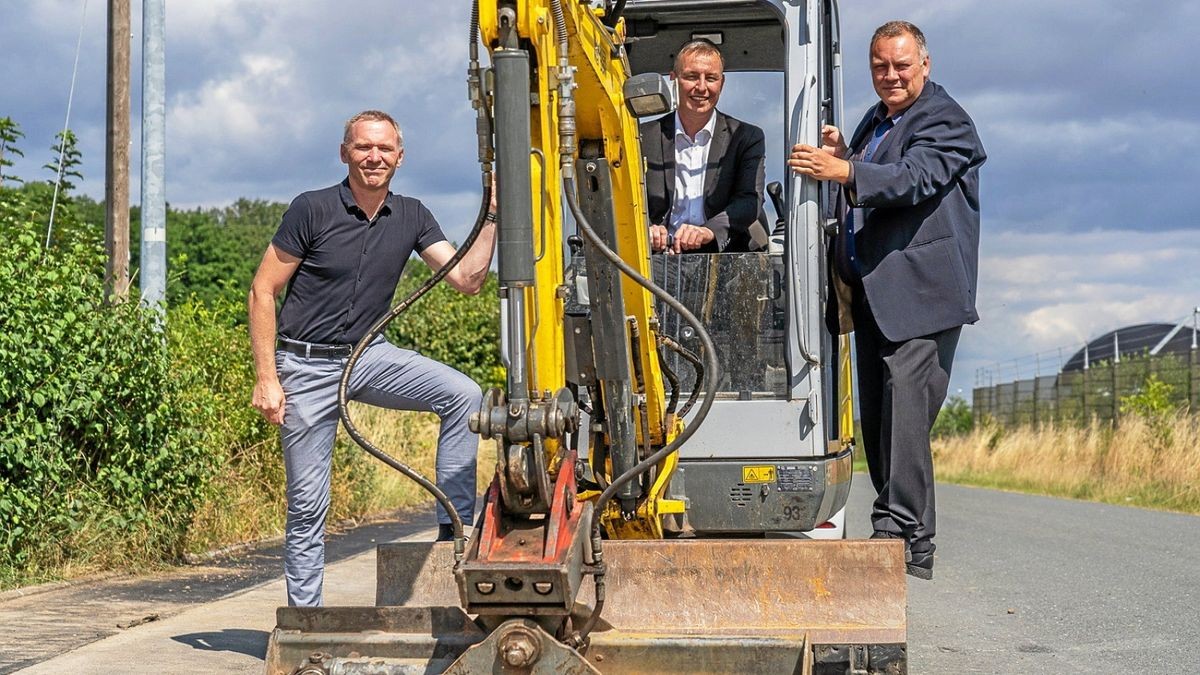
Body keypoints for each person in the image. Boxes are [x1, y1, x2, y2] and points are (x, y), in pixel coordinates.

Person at [248, 110, 497, 606]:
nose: (374, 157)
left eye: (384, 149)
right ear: (345, 153)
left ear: (399, 158)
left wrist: (492, 213)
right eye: (363, 147)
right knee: (307, 505)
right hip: (306, 364)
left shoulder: (412, 214)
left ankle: (453, 531)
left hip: (368, 355)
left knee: (464, 395)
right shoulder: (311, 209)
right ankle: (305, 619)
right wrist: (267, 378)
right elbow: (263, 290)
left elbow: (467, 280)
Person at [788, 21, 985, 579]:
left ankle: (903, 538)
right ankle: (897, 533)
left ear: (925, 63)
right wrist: (847, 152)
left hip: (922, 297)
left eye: (901, 65)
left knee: (905, 417)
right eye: (881, 66)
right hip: (877, 294)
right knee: (878, 419)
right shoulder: (879, 118)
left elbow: (913, 178)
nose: (891, 76)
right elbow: (882, 167)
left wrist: (845, 169)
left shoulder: (946, 120)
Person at [641, 39, 768, 254]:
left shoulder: (746, 138)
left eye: (711, 78)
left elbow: (749, 201)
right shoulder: (643, 137)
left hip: (724, 261)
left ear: (722, 83)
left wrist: (709, 232)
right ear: (674, 79)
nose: (701, 87)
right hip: (655, 261)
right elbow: (622, 202)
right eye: (691, 76)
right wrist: (647, 229)